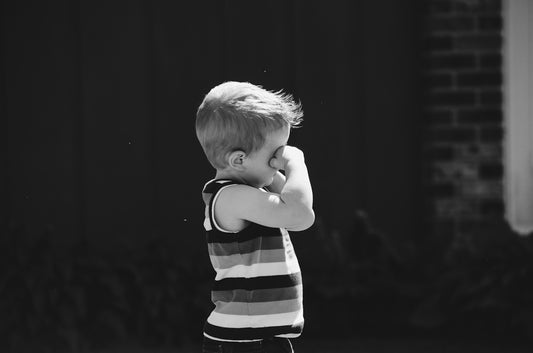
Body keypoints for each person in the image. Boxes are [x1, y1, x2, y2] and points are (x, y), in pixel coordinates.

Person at [195, 81, 315, 353]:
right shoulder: (230, 197)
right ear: (238, 160)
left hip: (261, 338)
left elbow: (298, 213)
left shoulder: (251, 190)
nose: (280, 159)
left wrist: (275, 171)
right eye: (274, 154)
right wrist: (297, 161)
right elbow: (300, 214)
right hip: (242, 342)